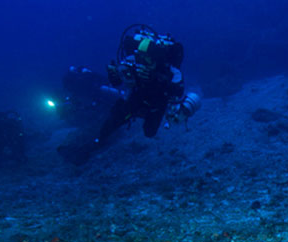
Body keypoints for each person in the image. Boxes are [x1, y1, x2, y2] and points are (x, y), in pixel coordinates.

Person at [58, 25, 201, 165]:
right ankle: (94, 144)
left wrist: (156, 79)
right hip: (137, 96)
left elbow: (178, 90)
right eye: (140, 58)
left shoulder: (170, 70)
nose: (142, 63)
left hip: (158, 102)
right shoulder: (132, 63)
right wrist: (114, 74)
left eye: (147, 60)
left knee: (149, 132)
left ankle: (141, 113)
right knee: (115, 120)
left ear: (156, 60)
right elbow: (117, 82)